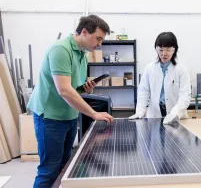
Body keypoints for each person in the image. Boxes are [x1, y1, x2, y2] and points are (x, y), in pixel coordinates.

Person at [27, 15, 113, 188]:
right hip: (50, 117)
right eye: (98, 38)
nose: (99, 44)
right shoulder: (60, 49)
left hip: (69, 116)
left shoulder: (82, 53)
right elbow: (64, 90)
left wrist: (83, 88)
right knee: (49, 170)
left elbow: (72, 87)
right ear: (84, 31)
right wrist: (93, 113)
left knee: (65, 167)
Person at [129, 32, 191, 124]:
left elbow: (185, 95)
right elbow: (143, 91)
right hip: (154, 116)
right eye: (160, 50)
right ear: (156, 49)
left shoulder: (181, 70)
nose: (164, 54)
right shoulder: (149, 68)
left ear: (174, 50)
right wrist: (140, 111)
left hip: (177, 118)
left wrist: (175, 113)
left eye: (168, 50)